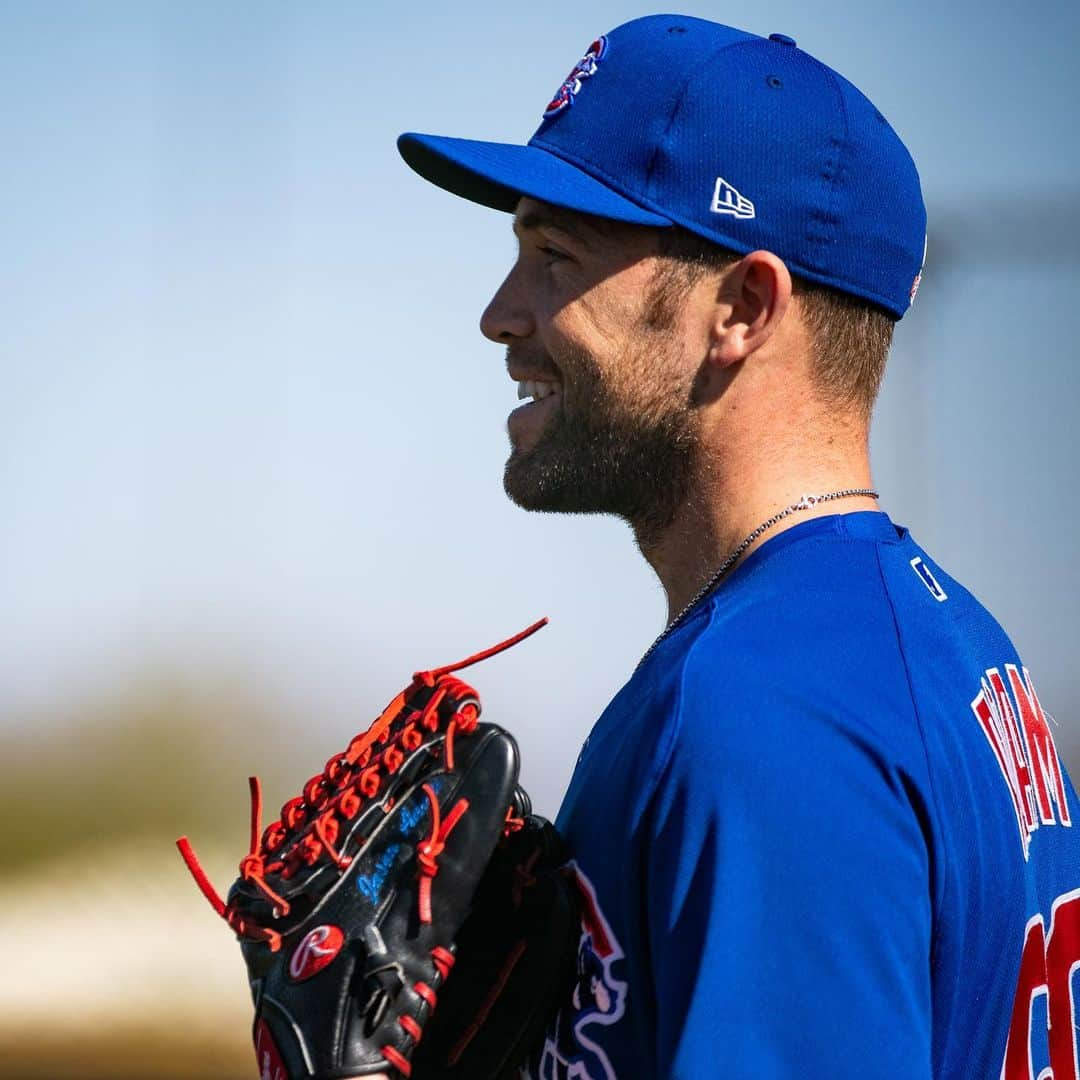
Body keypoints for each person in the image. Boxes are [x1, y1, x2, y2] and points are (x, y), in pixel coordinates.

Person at [398, 15, 1079, 1079]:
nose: (501, 314)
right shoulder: (943, 642)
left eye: (554, 255)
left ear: (743, 307)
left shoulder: (763, 713)